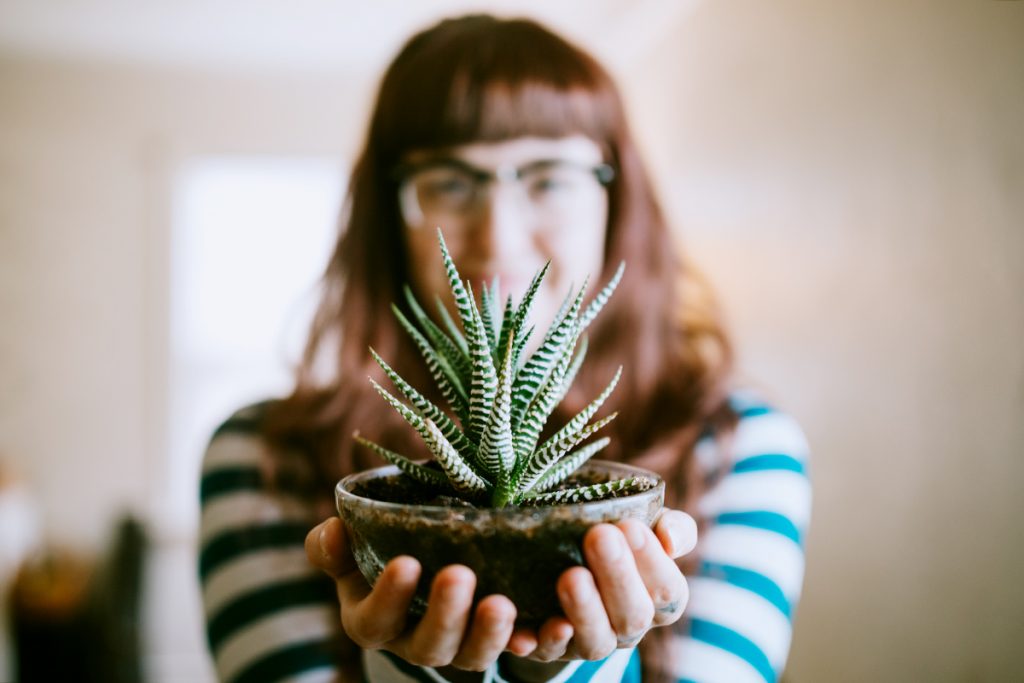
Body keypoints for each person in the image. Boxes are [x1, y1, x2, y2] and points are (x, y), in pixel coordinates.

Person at [198, 14, 811, 683]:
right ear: (388, 211)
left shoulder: (737, 443)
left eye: (548, 177)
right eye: (451, 181)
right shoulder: (259, 454)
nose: (499, 234)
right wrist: (423, 671)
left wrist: (568, 671)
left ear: (617, 200)